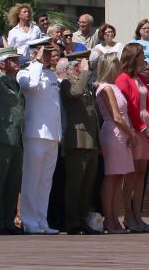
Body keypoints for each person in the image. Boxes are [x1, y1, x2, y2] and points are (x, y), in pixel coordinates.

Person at [17, 35, 62, 234]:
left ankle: (41, 220)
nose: (49, 56)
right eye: (45, 52)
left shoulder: (51, 75)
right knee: (31, 179)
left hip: (52, 134)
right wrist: (35, 61)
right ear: (35, 53)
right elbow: (31, 85)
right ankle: (29, 220)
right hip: (35, 133)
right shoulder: (25, 72)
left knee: (45, 181)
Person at [61, 42, 101, 235]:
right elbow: (75, 93)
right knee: (75, 185)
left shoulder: (85, 84)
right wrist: (85, 73)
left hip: (91, 140)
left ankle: (84, 219)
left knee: (87, 186)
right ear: (73, 66)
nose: (84, 67)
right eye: (81, 64)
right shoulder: (67, 82)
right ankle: (72, 222)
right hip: (77, 140)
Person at [0, 44, 24, 235]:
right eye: (13, 59)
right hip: (2, 136)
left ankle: (9, 220)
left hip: (17, 137)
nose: (17, 63)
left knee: (13, 183)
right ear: (4, 63)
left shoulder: (15, 82)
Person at [115, 43, 149, 232]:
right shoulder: (122, 79)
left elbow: (148, 104)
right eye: (141, 55)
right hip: (134, 129)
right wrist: (143, 128)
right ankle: (128, 214)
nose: (144, 58)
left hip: (146, 130)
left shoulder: (141, 78)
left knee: (141, 174)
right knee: (130, 175)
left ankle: (138, 214)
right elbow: (129, 107)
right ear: (133, 57)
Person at [95, 53, 135, 234]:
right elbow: (116, 116)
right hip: (114, 132)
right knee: (111, 176)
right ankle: (109, 218)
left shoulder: (114, 87)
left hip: (121, 133)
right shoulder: (105, 88)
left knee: (119, 176)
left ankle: (115, 217)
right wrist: (131, 133)